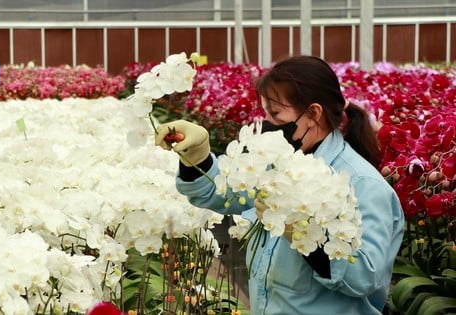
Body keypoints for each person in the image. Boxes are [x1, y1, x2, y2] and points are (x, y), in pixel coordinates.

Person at [155, 55, 405, 315]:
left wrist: (304, 235)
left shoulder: (362, 184)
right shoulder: (275, 165)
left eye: (275, 114)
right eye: (265, 114)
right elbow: (216, 193)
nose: (268, 124)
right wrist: (197, 155)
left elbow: (365, 276)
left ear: (313, 114)